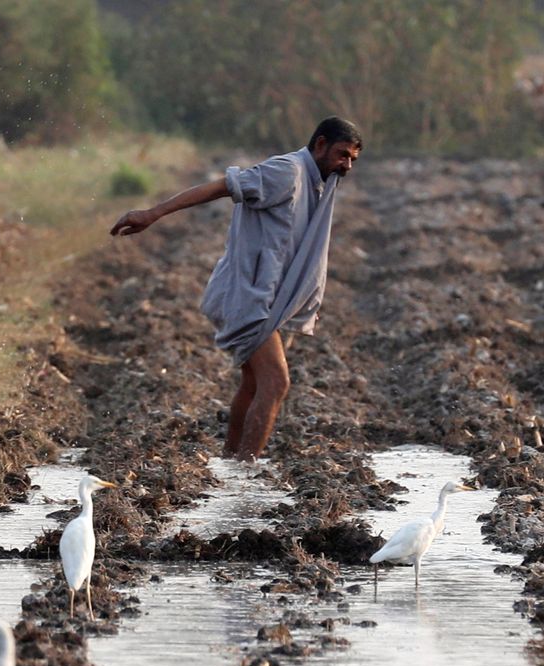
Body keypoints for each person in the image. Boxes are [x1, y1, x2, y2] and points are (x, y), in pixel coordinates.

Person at [110, 117, 362, 460]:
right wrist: (154, 213)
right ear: (319, 144)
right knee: (276, 383)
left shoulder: (318, 183)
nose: (346, 165)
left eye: (352, 160)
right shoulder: (287, 172)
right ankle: (246, 471)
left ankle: (230, 461)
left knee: (255, 383)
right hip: (247, 295)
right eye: (342, 155)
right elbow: (222, 187)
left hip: (270, 299)